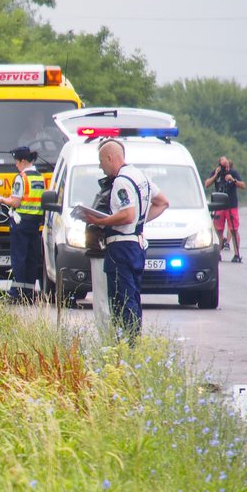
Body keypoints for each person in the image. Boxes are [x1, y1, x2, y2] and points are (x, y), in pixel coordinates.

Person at [78, 139, 169, 341]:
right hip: (136, 244)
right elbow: (163, 202)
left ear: (111, 158)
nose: (101, 167)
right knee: (133, 297)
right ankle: (133, 341)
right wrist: (140, 220)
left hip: (121, 247)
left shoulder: (121, 181)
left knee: (122, 299)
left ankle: (127, 344)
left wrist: (100, 221)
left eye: (102, 161)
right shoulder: (141, 176)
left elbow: (127, 214)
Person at [0, 146, 44, 303]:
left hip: (20, 222)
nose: (15, 165)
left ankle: (16, 294)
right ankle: (28, 293)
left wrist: (1, 199)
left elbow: (16, 201)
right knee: (31, 259)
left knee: (19, 259)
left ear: (23, 161)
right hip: (35, 224)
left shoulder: (21, 178)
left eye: (16, 161)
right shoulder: (39, 177)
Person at [203, 156, 246, 262]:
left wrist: (233, 180)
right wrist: (216, 175)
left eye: (226, 165)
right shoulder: (216, 172)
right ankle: (218, 253)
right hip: (219, 205)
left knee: (234, 230)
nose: (225, 167)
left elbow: (243, 185)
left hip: (231, 205)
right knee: (218, 230)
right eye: (223, 165)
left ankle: (236, 254)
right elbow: (207, 184)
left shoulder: (233, 173)